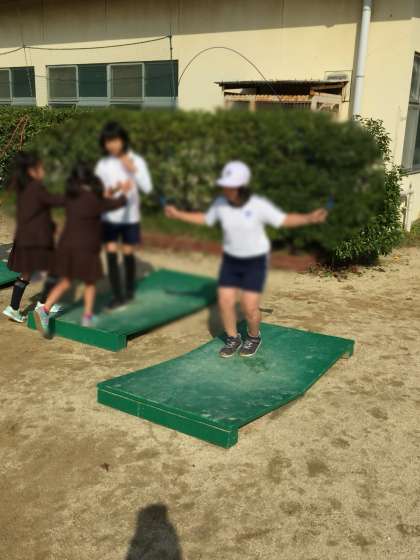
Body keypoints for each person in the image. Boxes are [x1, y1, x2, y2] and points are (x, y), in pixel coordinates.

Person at [165, 160, 328, 358]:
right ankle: (233, 338)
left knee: (249, 307)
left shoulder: (258, 205)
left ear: (241, 186)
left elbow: (283, 219)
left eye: (230, 185)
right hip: (231, 260)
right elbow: (206, 218)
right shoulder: (220, 203)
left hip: (254, 261)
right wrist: (178, 214)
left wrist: (308, 218)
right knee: (225, 301)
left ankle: (253, 337)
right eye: (225, 185)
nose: (226, 189)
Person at [33, 162, 130, 337]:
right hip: (87, 247)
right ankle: (87, 317)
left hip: (67, 246)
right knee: (90, 282)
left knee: (66, 280)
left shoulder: (71, 197)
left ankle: (44, 309)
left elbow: (52, 200)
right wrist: (124, 191)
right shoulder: (96, 200)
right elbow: (117, 203)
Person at [95, 121, 153, 309]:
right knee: (111, 255)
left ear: (123, 140)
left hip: (130, 218)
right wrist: (113, 190)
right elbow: (99, 191)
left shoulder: (136, 160)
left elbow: (147, 188)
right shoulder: (103, 164)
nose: (111, 145)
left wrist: (133, 169)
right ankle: (117, 296)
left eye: (115, 140)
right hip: (109, 218)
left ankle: (128, 292)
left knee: (128, 254)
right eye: (107, 141)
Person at [3, 151, 64, 323]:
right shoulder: (37, 187)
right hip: (37, 239)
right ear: (32, 170)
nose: (44, 170)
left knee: (26, 272)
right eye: (41, 167)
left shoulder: (23, 187)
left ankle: (13, 308)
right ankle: (43, 304)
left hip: (25, 237)